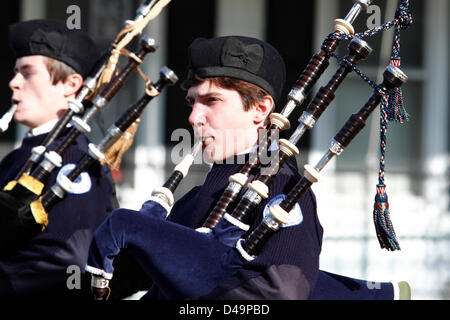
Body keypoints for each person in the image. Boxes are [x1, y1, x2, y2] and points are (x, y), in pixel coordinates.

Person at [0, 19, 117, 298]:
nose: (13, 82)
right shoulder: (17, 157)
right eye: (16, 72)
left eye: (27, 73)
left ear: (70, 84)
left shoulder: (76, 160)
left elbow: (64, 263)